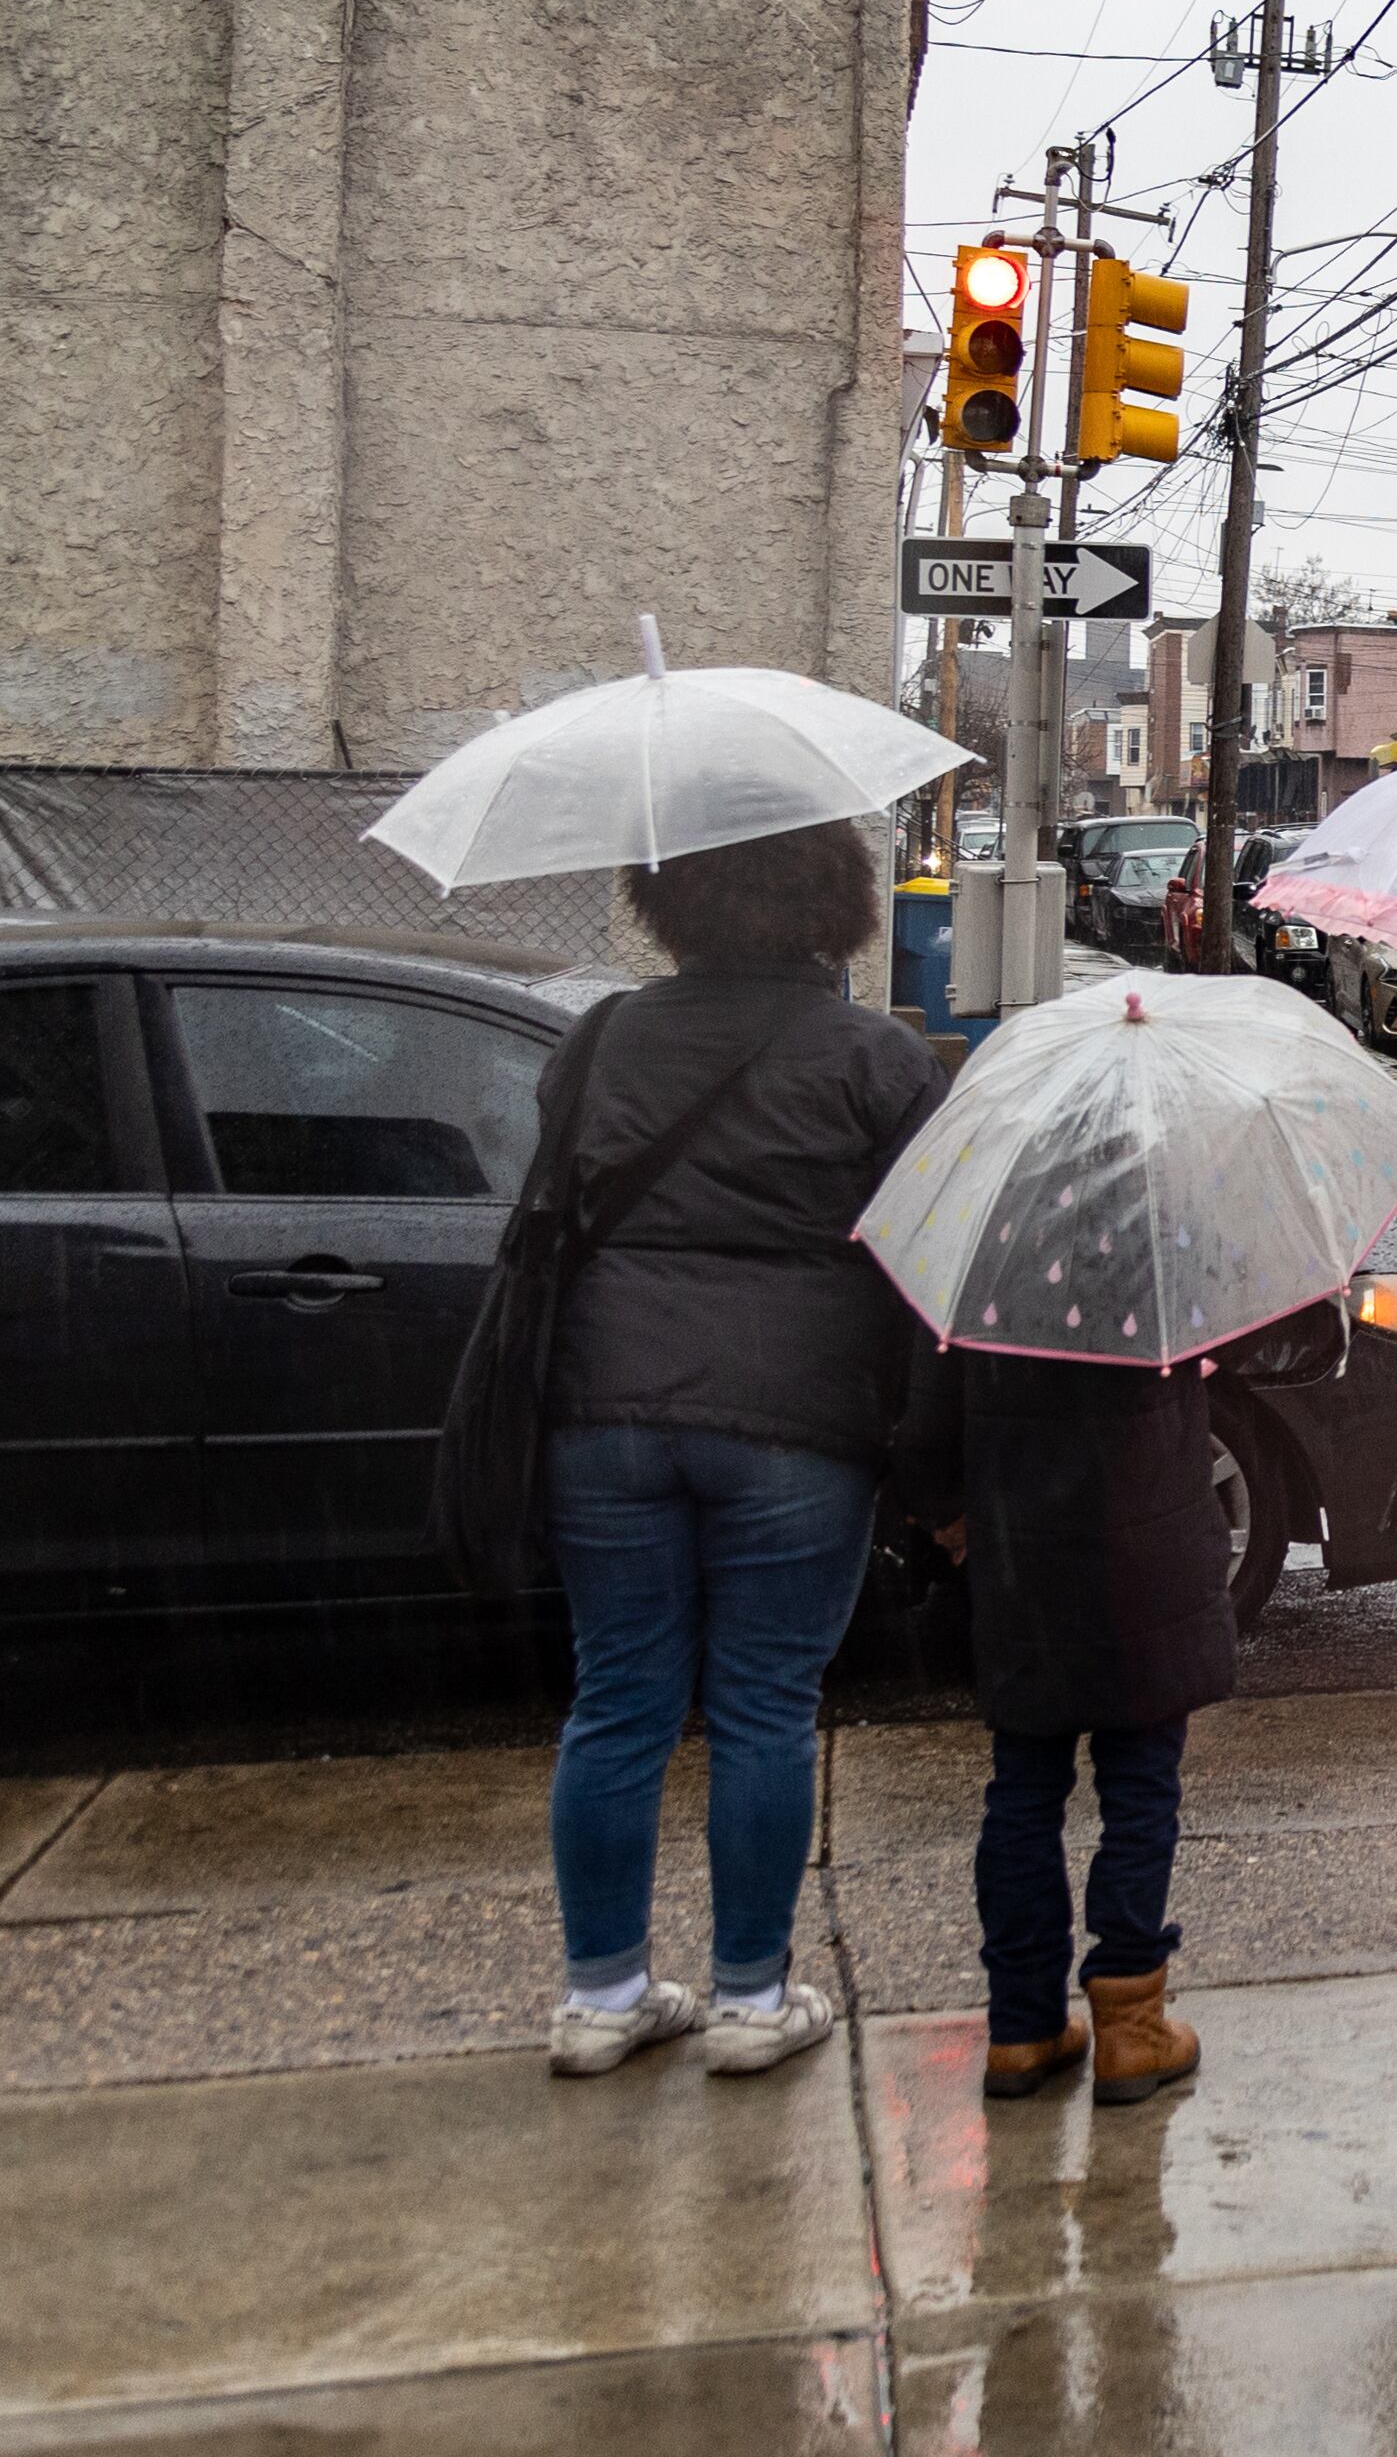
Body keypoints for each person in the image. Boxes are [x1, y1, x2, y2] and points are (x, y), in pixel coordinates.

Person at [540, 817, 945, 2078]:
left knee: (618, 1695)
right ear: (836, 905)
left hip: (604, 1404)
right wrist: (931, 1461)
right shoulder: (874, 1058)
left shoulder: (601, 1038)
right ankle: (749, 1997)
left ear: (668, 900)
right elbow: (929, 1257)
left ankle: (603, 1994)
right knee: (766, 1703)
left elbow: (550, 1204)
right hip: (797, 1418)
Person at [892, 1343, 1237, 2104]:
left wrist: (951, 1517)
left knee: (1022, 1786)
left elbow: (921, 1430)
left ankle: (1021, 2027)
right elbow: (1278, 1337)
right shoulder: (1160, 1251)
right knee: (1141, 1786)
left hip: (1024, 1554)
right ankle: (1129, 2029)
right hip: (1146, 1546)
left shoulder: (989, 1256)